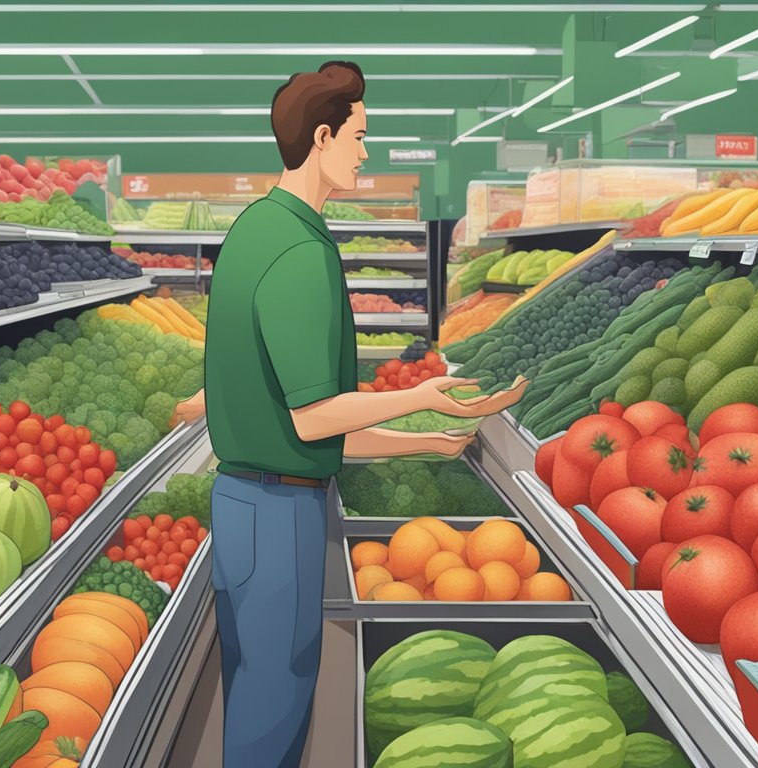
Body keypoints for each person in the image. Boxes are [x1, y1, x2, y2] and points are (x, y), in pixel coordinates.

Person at [169, 61, 528, 767]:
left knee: (253, 692)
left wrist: (427, 445)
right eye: (361, 136)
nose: (367, 152)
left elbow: (293, 417)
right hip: (280, 520)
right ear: (323, 135)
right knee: (275, 715)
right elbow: (314, 419)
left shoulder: (251, 232)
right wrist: (424, 398)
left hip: (241, 502)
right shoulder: (301, 250)